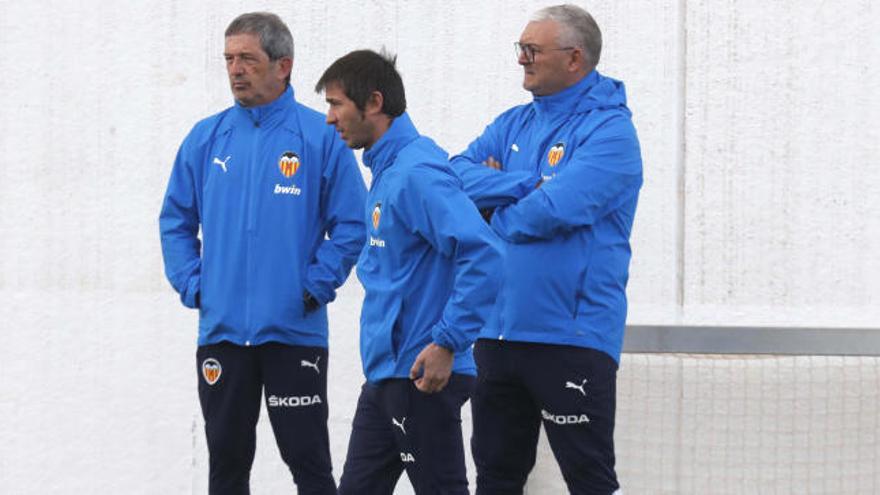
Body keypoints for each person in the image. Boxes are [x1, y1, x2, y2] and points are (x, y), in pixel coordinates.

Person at [159, 12, 366, 495]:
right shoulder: (206, 138)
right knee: (227, 467)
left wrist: (314, 288)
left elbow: (353, 225)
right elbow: (175, 220)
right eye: (229, 59)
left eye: (248, 59)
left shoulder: (320, 137)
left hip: (294, 333)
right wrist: (194, 285)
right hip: (222, 335)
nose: (235, 69)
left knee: (309, 464)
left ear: (283, 65)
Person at [450, 5, 643, 494]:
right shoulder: (512, 123)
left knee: (589, 481)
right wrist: (524, 184)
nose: (521, 60)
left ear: (574, 58)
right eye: (520, 48)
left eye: (531, 50)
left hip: (571, 340)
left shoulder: (612, 133)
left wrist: (492, 201)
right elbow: (452, 178)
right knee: (495, 480)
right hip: (496, 333)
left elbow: (551, 210)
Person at [315, 49, 502, 495]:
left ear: (373, 102)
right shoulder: (389, 170)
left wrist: (447, 342)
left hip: (421, 376)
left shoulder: (417, 172)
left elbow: (484, 254)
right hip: (386, 375)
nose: (329, 118)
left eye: (337, 103)